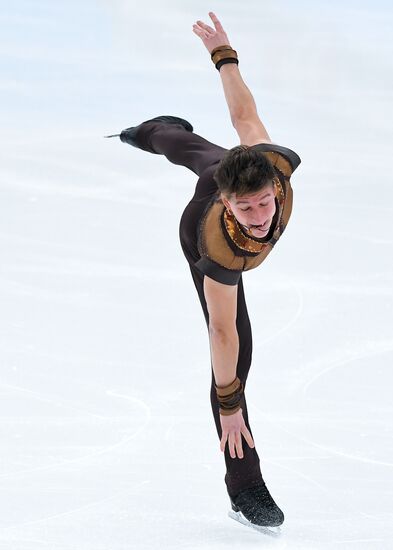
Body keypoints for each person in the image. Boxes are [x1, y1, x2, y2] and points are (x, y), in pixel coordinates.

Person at [105, 11, 301, 530]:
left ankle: (153, 129)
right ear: (230, 205)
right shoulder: (216, 241)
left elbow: (243, 114)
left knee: (195, 149)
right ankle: (244, 482)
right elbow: (220, 332)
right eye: (248, 210)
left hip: (227, 170)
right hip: (198, 224)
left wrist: (224, 54)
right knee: (240, 351)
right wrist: (229, 403)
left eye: (264, 205)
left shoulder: (268, 165)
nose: (261, 220)